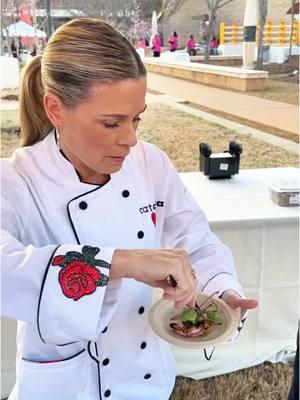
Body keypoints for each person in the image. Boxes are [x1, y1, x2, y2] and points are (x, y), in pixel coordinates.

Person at [1, 18, 257, 400]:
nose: (130, 139)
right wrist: (120, 262)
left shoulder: (151, 163)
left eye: (137, 118)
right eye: (111, 123)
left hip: (146, 378)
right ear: (55, 109)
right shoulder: (17, 179)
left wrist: (219, 292)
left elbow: (196, 240)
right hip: (66, 385)